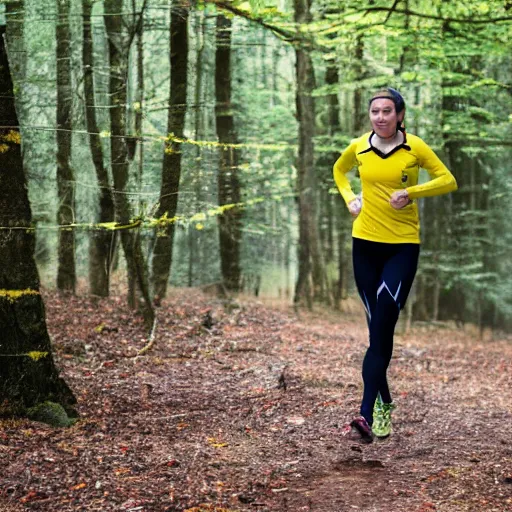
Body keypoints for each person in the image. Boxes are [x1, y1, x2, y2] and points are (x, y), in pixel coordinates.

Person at [333, 87, 457, 442]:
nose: (381, 117)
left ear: (400, 115)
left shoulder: (414, 147)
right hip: (364, 245)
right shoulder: (358, 147)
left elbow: (448, 180)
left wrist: (412, 193)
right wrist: (349, 198)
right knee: (378, 332)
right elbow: (339, 171)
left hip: (402, 247)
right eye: (375, 112)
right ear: (370, 116)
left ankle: (365, 413)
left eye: (388, 111)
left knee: (384, 319)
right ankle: (385, 402)